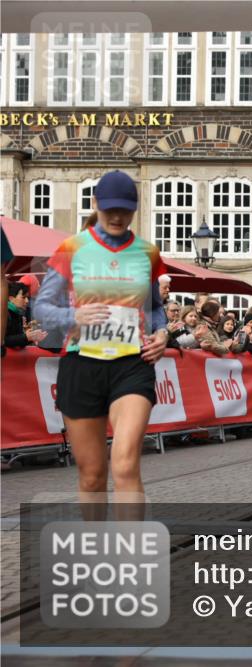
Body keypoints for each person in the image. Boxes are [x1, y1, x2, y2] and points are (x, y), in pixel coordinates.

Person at [33, 170, 169, 505]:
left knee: (125, 465)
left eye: (126, 210)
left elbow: (154, 307)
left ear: (136, 208)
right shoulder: (71, 248)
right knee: (92, 477)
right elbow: (41, 308)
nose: (118, 217)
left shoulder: (147, 253)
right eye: (110, 210)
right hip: (81, 364)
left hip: (132, 365)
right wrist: (71, 317)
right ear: (95, 205)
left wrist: (162, 331)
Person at [4, 281, 48, 348]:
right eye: (23, 297)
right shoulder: (4, 314)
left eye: (27, 298)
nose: (27, 301)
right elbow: (3, 340)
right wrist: (27, 337)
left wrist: (32, 336)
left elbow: (18, 342)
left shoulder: (18, 313)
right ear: (11, 299)